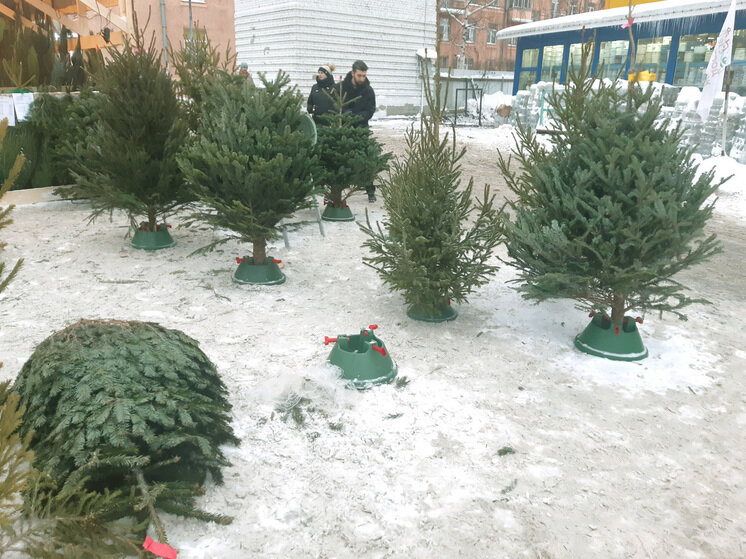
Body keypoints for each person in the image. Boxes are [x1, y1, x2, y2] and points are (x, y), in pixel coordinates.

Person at [340, 60, 377, 202]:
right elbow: (338, 105)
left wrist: (359, 117)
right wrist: (348, 116)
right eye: (359, 75)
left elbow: (370, 110)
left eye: (364, 75)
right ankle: (338, 191)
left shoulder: (368, 90)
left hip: (362, 128)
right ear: (353, 73)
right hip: (346, 129)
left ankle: (370, 191)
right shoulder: (343, 88)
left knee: (365, 158)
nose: (362, 78)